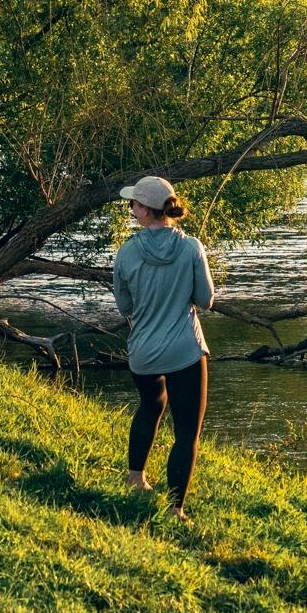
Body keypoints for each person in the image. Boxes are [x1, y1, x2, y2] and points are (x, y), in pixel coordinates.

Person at [113, 173, 215, 520]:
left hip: (142, 351)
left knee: (150, 405)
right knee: (186, 432)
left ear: (145, 210)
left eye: (134, 204)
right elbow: (206, 299)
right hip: (185, 350)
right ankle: (175, 510)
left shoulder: (125, 253)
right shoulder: (191, 247)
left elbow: (124, 306)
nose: (130, 208)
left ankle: (135, 478)